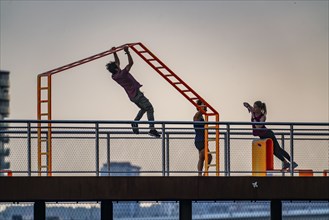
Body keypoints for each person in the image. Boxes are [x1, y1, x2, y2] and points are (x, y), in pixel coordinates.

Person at [106, 46, 160, 138]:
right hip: (137, 94)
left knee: (144, 109)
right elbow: (131, 63)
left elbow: (117, 63)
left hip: (132, 97)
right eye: (117, 66)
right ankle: (152, 129)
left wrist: (114, 52)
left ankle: (135, 122)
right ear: (116, 69)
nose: (119, 65)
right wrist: (127, 52)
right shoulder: (123, 73)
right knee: (149, 108)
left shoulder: (114, 76)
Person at [243, 101, 298, 170]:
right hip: (262, 136)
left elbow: (258, 126)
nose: (254, 108)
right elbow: (247, 105)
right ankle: (285, 163)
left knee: (278, 149)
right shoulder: (253, 111)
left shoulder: (263, 116)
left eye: (256, 107)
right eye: (254, 107)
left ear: (260, 108)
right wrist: (247, 105)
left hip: (268, 134)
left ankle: (292, 162)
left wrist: (253, 117)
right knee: (274, 151)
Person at [194, 100, 212, 176]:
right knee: (209, 157)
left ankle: (200, 174)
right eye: (203, 105)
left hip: (201, 140)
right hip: (200, 140)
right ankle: (204, 173)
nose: (205, 106)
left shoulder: (201, 116)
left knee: (202, 158)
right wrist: (202, 106)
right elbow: (200, 110)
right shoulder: (197, 115)